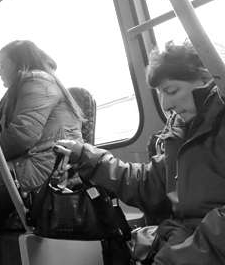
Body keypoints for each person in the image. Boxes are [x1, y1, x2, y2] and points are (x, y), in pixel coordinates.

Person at [54, 40, 225, 264]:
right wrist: (87, 157)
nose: (165, 105)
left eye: (171, 90)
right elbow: (149, 183)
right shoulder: (182, 133)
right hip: (186, 238)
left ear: (205, 78)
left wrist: (174, 258)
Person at [0, 40, 84, 230]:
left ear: (19, 62)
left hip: (46, 169)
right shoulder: (27, 85)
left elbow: (22, 135)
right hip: (29, 165)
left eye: (3, 65)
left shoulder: (38, 81)